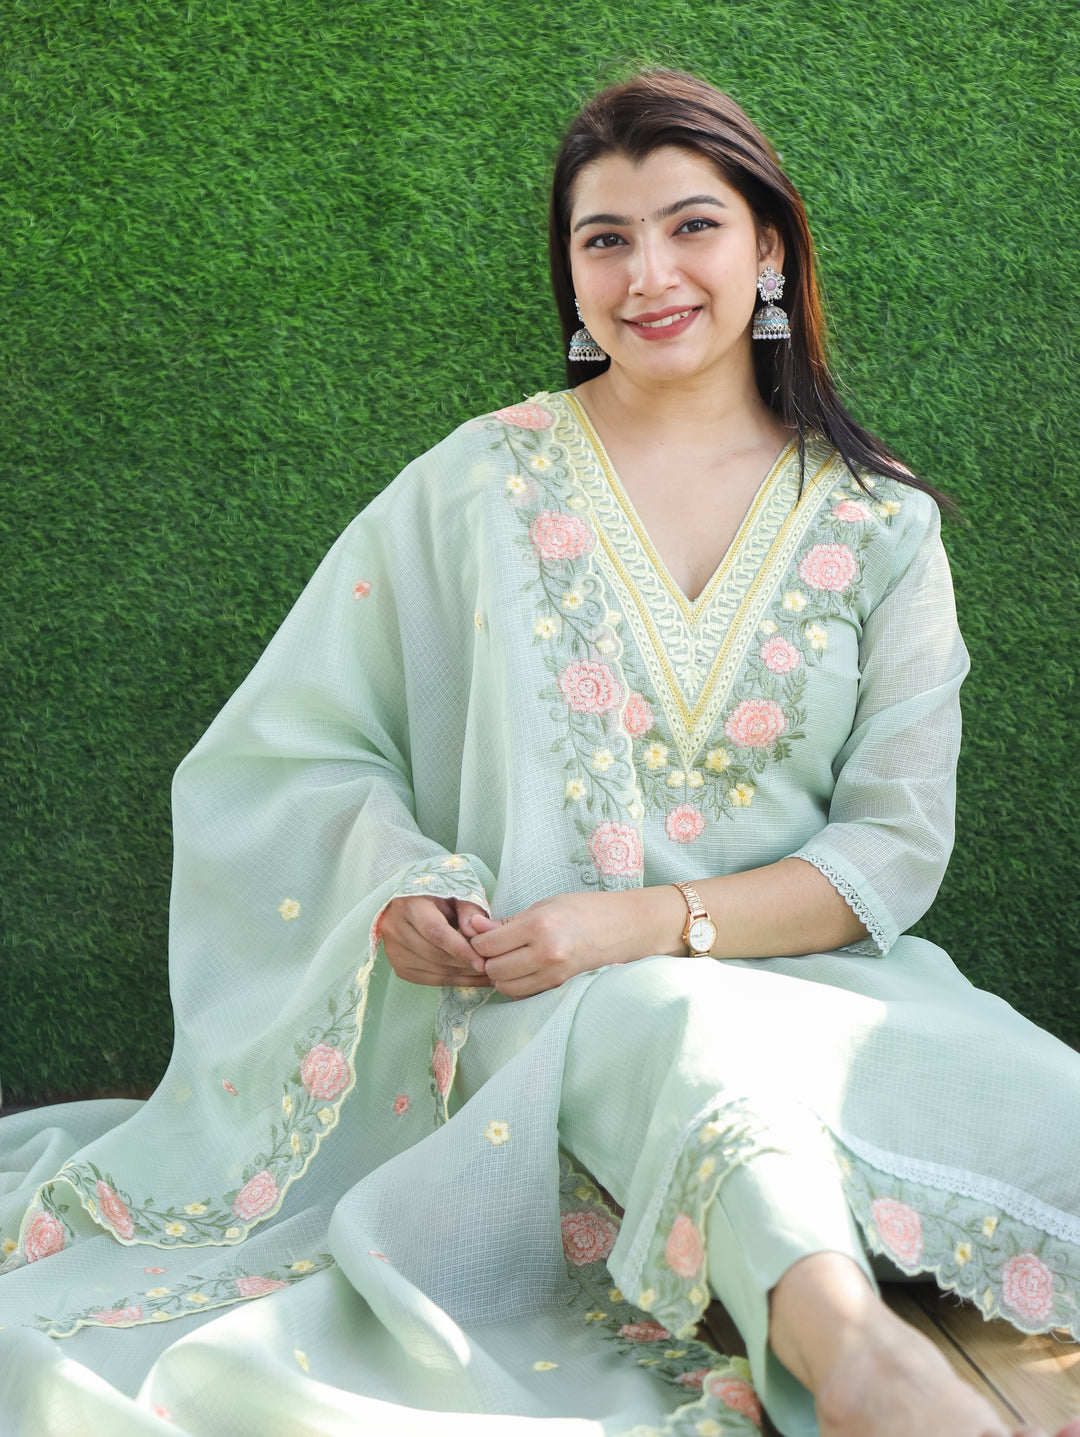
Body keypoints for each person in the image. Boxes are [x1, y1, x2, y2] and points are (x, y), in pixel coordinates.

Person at [0, 68, 1078, 1437]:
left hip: (828, 988)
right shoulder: (478, 484)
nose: (649, 274)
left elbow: (892, 849)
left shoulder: (881, 525)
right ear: (570, 272)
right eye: (605, 239)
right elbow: (286, 754)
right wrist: (396, 889)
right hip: (544, 1004)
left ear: (768, 250)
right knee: (673, 1031)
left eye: (692, 226)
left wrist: (641, 921)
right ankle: (857, 1361)